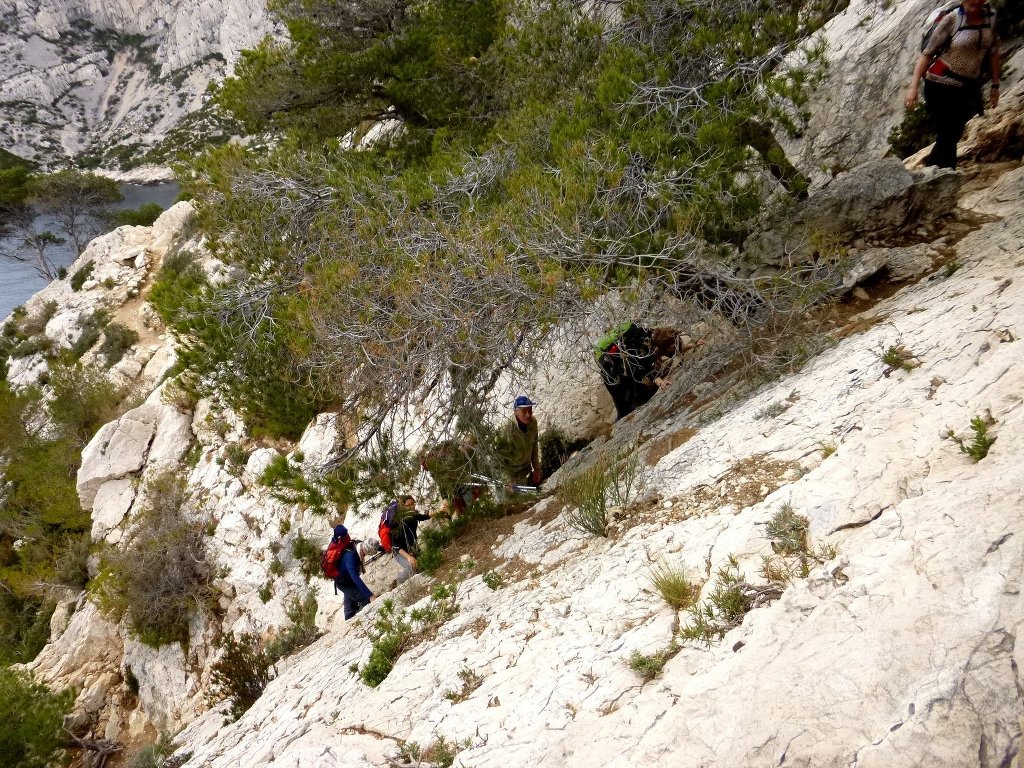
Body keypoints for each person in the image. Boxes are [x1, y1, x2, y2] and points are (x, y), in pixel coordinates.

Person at [906, 0, 1000, 169]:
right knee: (948, 131)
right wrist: (913, 87)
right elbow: (926, 55)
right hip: (940, 84)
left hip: (967, 87)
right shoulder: (952, 20)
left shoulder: (991, 18)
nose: (976, 2)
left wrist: (995, 85)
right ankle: (945, 171)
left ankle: (934, 171)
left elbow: (993, 53)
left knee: (953, 133)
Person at [595, 323, 659, 420]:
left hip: (612, 374)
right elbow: (638, 368)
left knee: (622, 406)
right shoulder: (635, 341)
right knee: (631, 401)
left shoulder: (631, 338)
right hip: (618, 374)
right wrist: (656, 378)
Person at [331, 525, 379, 620]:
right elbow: (356, 579)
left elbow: (374, 547)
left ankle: (349, 619)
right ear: (363, 550)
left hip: (345, 577)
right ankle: (360, 621)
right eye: (366, 554)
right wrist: (371, 596)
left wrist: (385, 547)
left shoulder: (361, 544)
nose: (365, 556)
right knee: (364, 599)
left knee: (349, 602)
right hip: (344, 582)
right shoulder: (351, 557)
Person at [388, 495, 433, 585]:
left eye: (413, 504)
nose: (411, 506)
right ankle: (399, 581)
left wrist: (438, 511)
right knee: (411, 567)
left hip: (412, 548)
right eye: (408, 505)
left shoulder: (412, 515)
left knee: (424, 563)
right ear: (403, 506)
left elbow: (423, 517)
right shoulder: (397, 522)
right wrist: (408, 557)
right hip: (400, 553)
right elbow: (395, 546)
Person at [497, 395, 541, 486]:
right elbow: (498, 457)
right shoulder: (506, 428)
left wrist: (536, 469)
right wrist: (507, 481)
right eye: (524, 411)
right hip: (510, 473)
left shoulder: (533, 422)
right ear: (516, 412)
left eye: (530, 410)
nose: (528, 415)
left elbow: (534, 447)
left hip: (526, 469)